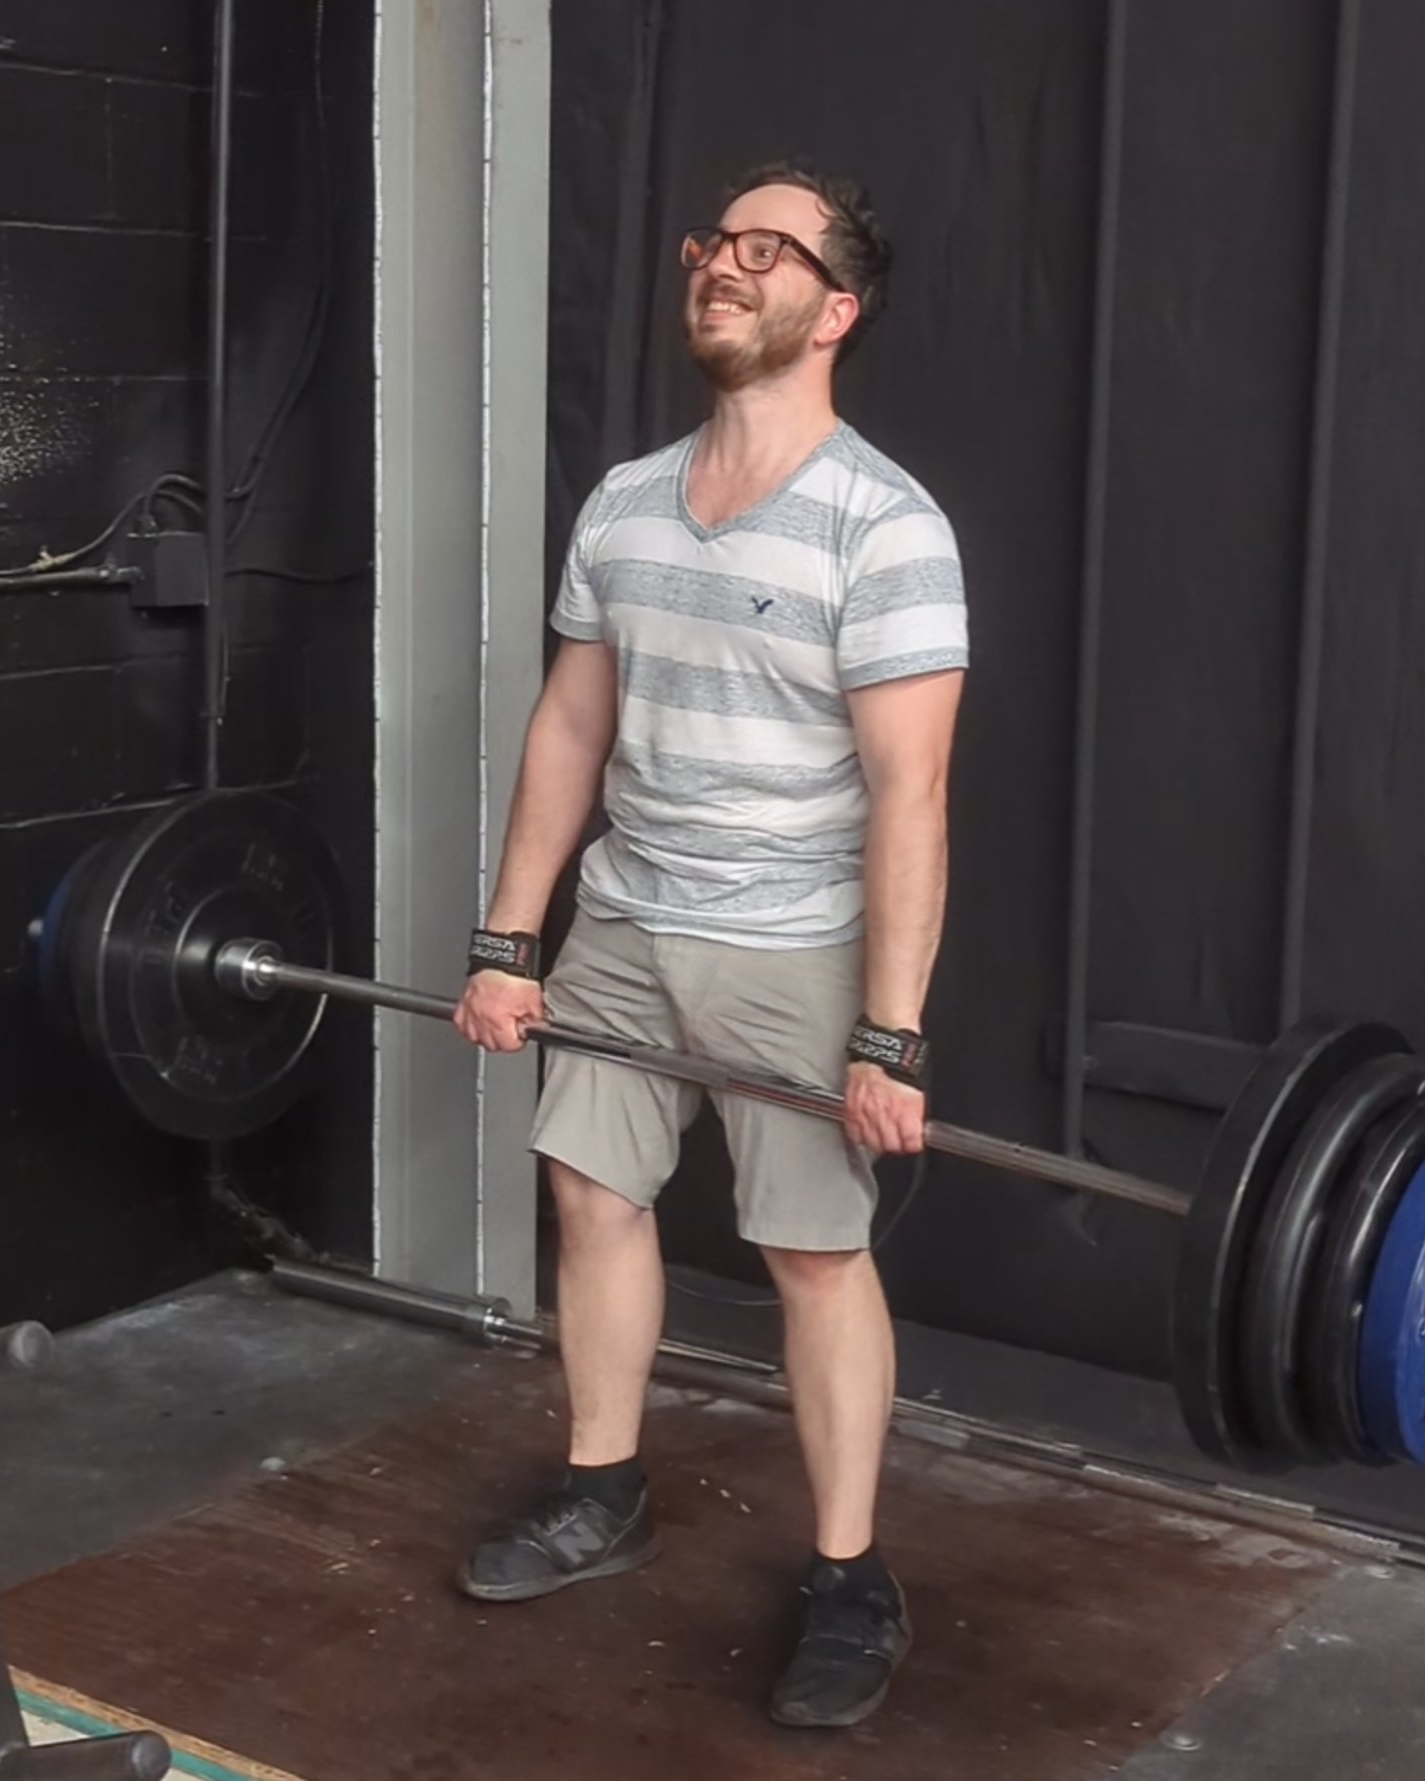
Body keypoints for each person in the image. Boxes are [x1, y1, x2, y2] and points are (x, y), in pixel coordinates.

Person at [450, 159, 969, 1730]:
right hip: (624, 919)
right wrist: (511, 936)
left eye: (768, 249)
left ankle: (848, 1569)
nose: (726, 266)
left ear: (838, 307)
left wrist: (887, 1032)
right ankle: (602, 1487)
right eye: (713, 243)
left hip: (795, 947)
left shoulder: (884, 527)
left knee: (813, 1250)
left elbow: (910, 791)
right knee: (592, 1197)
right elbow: (570, 727)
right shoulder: (623, 501)